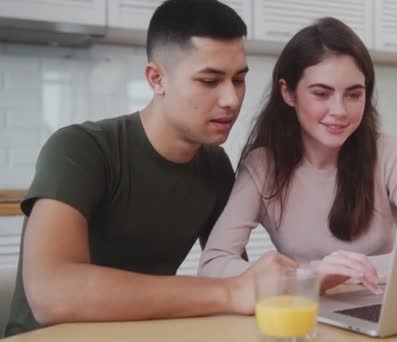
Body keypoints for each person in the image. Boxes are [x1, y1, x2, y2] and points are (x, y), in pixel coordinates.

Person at [5, 0, 296, 337]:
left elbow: (227, 267)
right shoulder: (81, 149)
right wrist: (233, 292)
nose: (231, 99)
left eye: (239, 79)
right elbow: (51, 293)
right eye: (209, 81)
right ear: (157, 79)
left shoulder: (215, 167)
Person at [198, 17, 397, 294]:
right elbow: (213, 265)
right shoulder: (262, 167)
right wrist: (309, 275)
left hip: (378, 307)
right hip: (303, 312)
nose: (339, 110)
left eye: (353, 94)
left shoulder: (387, 153)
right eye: (321, 93)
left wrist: (346, 273)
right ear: (288, 93)